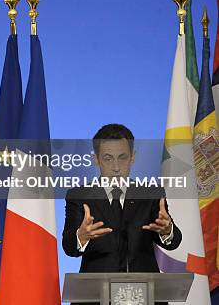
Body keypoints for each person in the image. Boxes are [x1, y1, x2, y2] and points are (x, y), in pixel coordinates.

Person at [62, 124, 182, 304]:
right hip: (94, 298)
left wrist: (167, 231)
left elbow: (174, 242)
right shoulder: (79, 196)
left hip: (145, 297)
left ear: (133, 157)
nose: (116, 167)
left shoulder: (151, 195)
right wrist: (81, 236)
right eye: (108, 159)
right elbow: (69, 247)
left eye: (122, 158)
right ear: (96, 159)